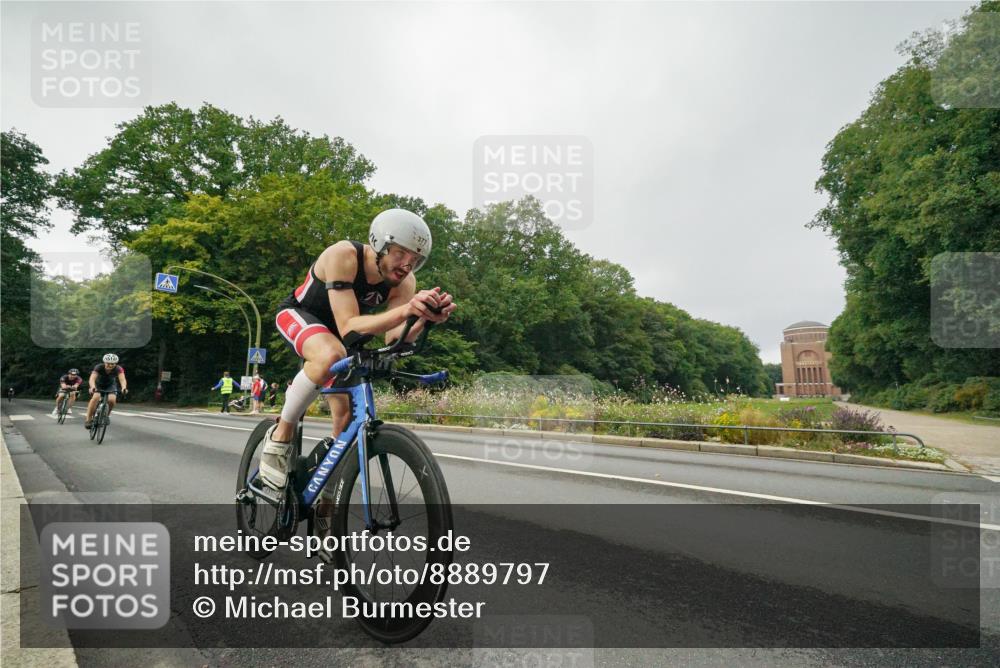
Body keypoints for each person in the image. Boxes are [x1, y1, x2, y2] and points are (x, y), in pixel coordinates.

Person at [260, 208, 456, 490]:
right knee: (330, 355)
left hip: (344, 337)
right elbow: (349, 326)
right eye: (400, 254)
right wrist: (406, 312)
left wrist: (423, 319)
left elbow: (393, 339)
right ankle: (280, 438)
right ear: (380, 243)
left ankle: (327, 507)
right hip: (303, 315)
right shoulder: (343, 255)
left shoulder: (405, 282)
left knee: (346, 419)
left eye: (414, 260)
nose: (406, 266)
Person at [84, 354, 128, 429]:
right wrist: (92, 387)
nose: (110, 365)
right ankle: (88, 419)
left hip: (110, 385)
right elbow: (92, 378)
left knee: (112, 400)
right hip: (98, 384)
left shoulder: (118, 369)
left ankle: (106, 415)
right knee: (95, 397)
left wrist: (124, 387)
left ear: (115, 364)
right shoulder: (99, 367)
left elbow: (122, 379)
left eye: (112, 364)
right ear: (104, 362)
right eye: (108, 363)